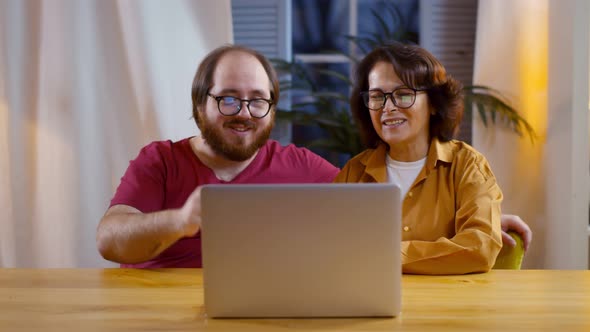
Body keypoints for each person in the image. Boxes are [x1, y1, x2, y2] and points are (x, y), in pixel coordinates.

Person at [97, 44, 531, 268]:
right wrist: (181, 221)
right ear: (199, 106)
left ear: (272, 108)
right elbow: (109, 240)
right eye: (228, 100)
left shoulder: (305, 168)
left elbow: (370, 213)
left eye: (257, 101)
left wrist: (482, 216)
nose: (244, 113)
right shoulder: (159, 161)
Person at [334, 42, 515, 274]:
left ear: (433, 104)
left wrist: (387, 255)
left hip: (449, 305)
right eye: (377, 97)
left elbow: (480, 248)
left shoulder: (467, 165)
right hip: (370, 304)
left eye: (403, 94)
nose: (388, 107)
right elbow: (332, 248)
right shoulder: (354, 172)